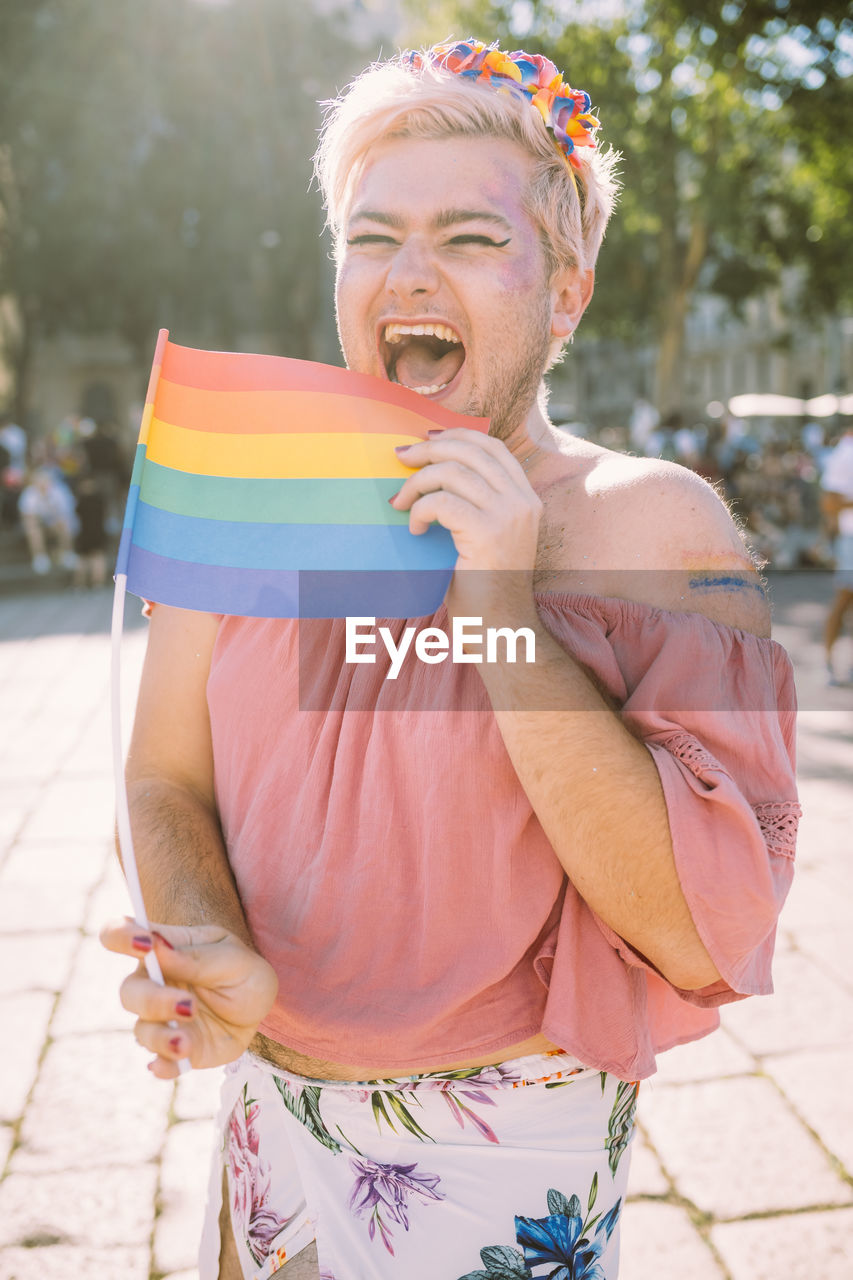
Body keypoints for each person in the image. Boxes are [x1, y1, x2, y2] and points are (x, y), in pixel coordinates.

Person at [101, 40, 800, 1280]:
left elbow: (703, 931)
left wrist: (496, 600)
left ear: (568, 289)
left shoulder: (654, 524)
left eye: (471, 239)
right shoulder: (244, 484)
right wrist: (211, 945)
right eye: (374, 238)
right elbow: (164, 781)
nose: (409, 271)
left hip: (508, 1141)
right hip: (270, 1114)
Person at [820, 423, 853, 684]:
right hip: (850, 539)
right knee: (843, 600)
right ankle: (829, 663)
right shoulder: (845, 453)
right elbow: (829, 502)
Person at [18, 466, 78, 575]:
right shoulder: (29, 493)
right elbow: (28, 515)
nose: (42, 485)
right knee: (32, 527)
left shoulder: (60, 491)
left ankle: (67, 553)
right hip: (40, 524)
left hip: (56, 522)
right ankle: (40, 557)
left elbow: (66, 513)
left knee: (64, 524)